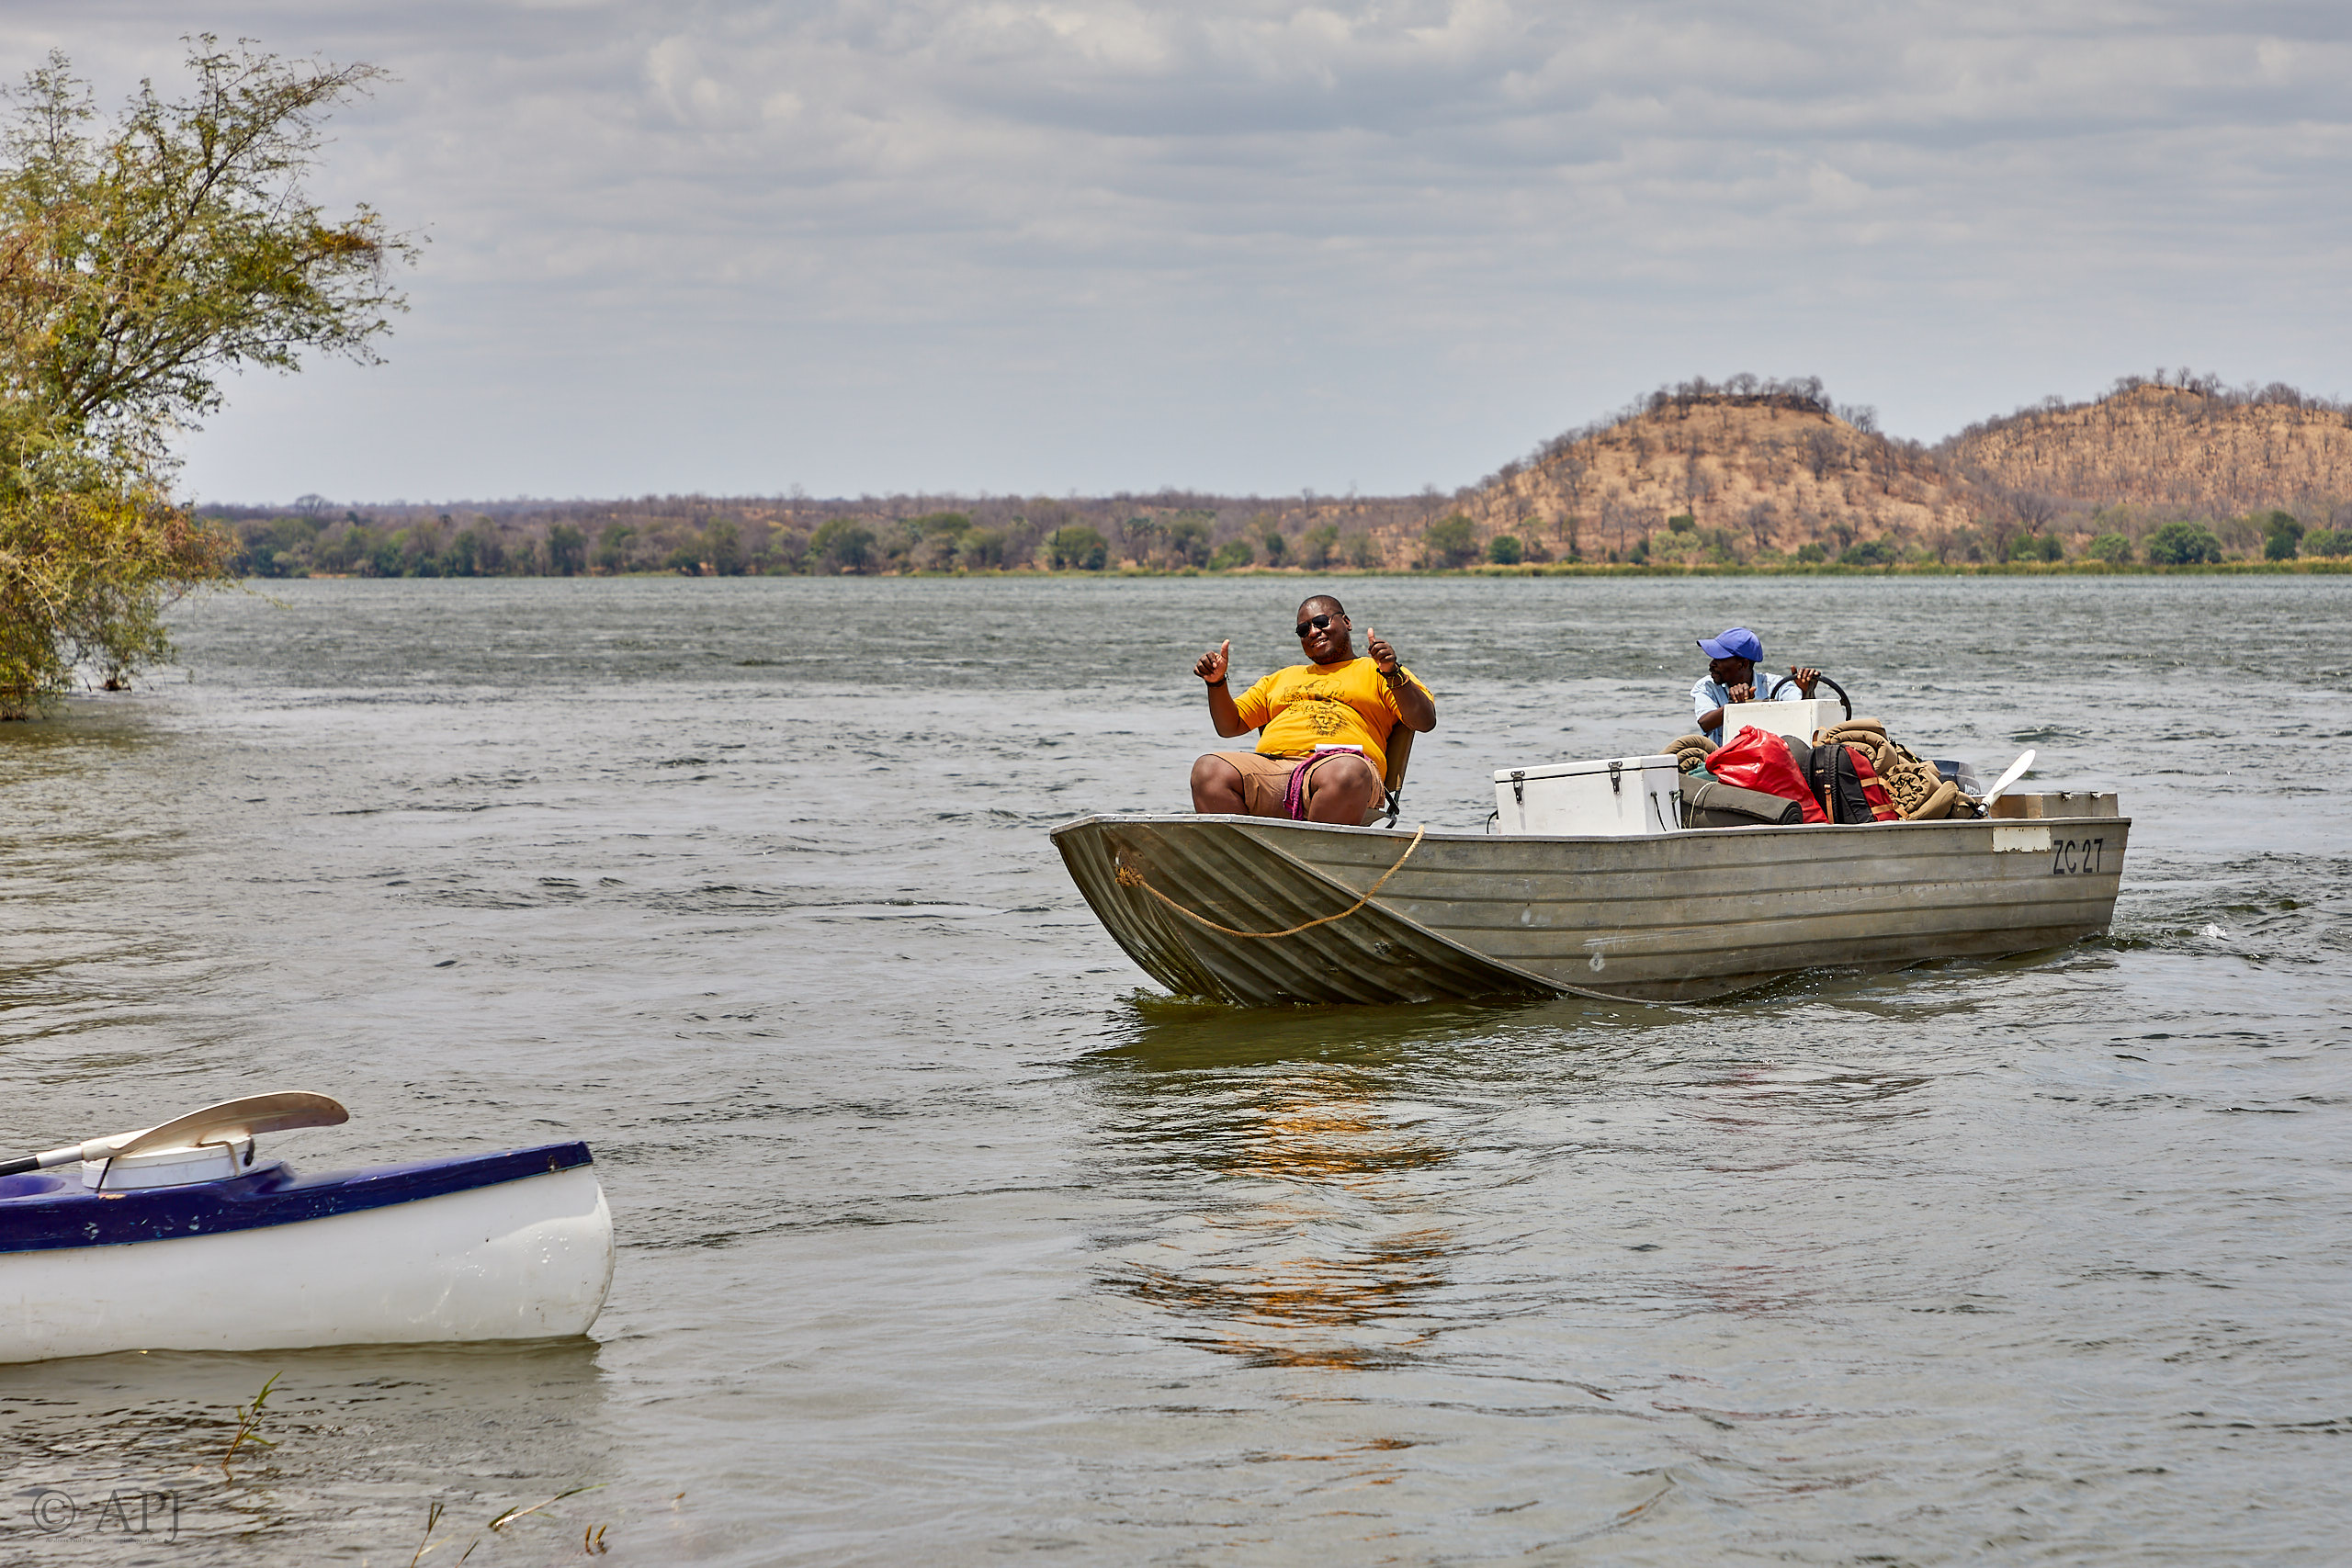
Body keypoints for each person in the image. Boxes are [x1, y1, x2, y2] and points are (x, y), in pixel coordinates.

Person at [1189, 595, 1437, 823]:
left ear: (1347, 622)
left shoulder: (1377, 671)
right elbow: (1228, 726)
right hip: (1277, 771)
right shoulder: (1280, 678)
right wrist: (1217, 683)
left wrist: (1392, 673)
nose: (1313, 632)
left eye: (1321, 622)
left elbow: (1424, 721)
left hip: (1345, 770)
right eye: (1303, 629)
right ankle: (1244, 862)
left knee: (1345, 771)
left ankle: (1312, 856)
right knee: (1209, 770)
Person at [1691, 626, 1821, 746]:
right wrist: (1735, 705)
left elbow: (1804, 716)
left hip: (1771, 760)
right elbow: (1705, 723)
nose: (1712, 664)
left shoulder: (1774, 685)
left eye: (1719, 659)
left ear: (1743, 664)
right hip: (1724, 765)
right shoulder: (1706, 686)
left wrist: (1807, 692)